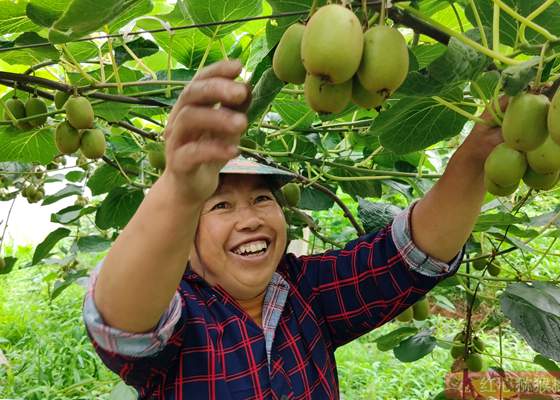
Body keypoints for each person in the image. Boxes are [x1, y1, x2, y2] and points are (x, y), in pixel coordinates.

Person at [82, 60, 503, 399]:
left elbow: (410, 257)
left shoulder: (308, 294)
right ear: (184, 235)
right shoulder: (182, 314)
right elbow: (122, 323)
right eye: (221, 205)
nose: (249, 219)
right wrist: (177, 192)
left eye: (262, 199)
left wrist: (478, 152)